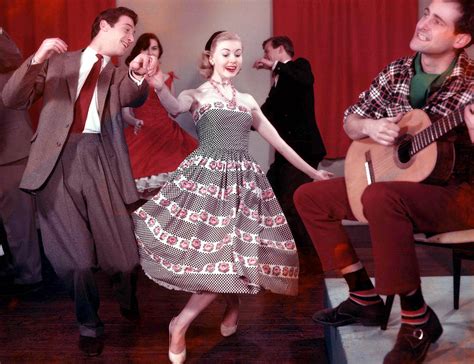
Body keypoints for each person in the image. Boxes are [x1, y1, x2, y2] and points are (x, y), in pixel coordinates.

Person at [133, 31, 333, 363]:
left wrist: (314, 173)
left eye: (238, 54)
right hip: (207, 184)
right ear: (210, 56)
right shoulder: (195, 94)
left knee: (235, 258)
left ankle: (231, 301)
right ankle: (180, 324)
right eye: (225, 53)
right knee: (217, 259)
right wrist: (158, 83)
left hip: (243, 186)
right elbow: (172, 107)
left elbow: (280, 143)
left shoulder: (248, 102)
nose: (233, 60)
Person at [294, 0, 474, 363]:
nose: (423, 23)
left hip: (457, 196)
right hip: (393, 187)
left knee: (380, 197)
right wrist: (369, 127)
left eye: (437, 21)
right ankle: (363, 296)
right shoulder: (396, 72)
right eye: (426, 13)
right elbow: (350, 119)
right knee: (310, 197)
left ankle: (416, 319)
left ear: (461, 39)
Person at [2, 7, 159, 357]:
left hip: (99, 160)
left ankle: (126, 292)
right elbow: (12, 98)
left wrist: (136, 77)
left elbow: (133, 96)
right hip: (55, 164)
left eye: (134, 32)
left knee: (124, 261)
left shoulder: (118, 74)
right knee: (76, 261)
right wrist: (38, 56)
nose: (131, 37)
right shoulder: (60, 62)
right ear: (104, 26)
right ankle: (89, 322)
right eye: (128, 29)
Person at [253, 36, 326, 249]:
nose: (265, 57)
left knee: (292, 203)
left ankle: (312, 253)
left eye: (268, 52)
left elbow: (305, 79)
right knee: (268, 194)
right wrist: (239, 120)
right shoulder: (279, 81)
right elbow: (266, 112)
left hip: (304, 150)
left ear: (281, 49)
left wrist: (274, 65)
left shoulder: (299, 67)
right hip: (286, 155)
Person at [123, 33, 198, 198]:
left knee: (174, 192)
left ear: (160, 51)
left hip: (166, 133)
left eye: (154, 48)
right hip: (141, 133)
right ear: (139, 51)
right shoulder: (130, 77)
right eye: (146, 48)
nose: (150, 52)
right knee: (141, 194)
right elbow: (125, 112)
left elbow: (174, 110)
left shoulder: (167, 78)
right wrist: (134, 121)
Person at [0, 27, 42, 294]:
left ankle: (30, 275)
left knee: (19, 219)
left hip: (10, 151)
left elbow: (14, 58)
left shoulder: (5, 60)